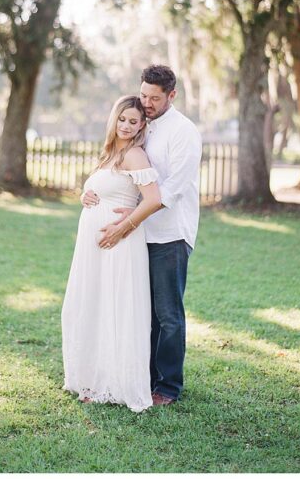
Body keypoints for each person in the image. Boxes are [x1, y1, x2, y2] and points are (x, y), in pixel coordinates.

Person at [82, 65, 202, 406]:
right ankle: (141, 377)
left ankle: (168, 387)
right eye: (144, 95)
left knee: (167, 314)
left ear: (172, 95)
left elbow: (169, 193)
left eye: (155, 98)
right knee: (139, 311)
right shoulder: (140, 125)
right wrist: (92, 195)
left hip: (169, 235)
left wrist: (125, 224)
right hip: (137, 237)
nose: (147, 102)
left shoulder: (184, 133)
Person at [62, 95, 163, 412]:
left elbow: (153, 200)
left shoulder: (134, 155)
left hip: (119, 244)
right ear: (114, 119)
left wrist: (124, 227)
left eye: (134, 121)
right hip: (94, 248)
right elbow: (103, 190)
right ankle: (90, 377)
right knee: (92, 304)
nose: (126, 125)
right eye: (122, 119)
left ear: (142, 125)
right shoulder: (110, 154)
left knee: (112, 307)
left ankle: (111, 382)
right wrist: (85, 195)